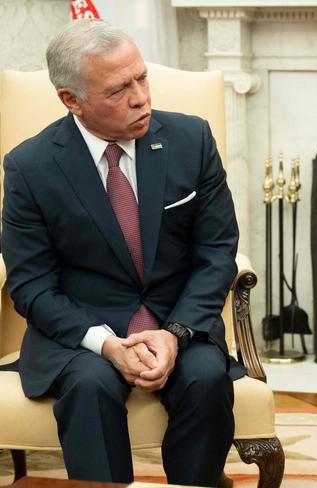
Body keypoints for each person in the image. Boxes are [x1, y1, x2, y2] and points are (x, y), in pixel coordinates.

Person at [2, 20, 244, 486]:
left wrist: (173, 334)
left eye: (142, 78)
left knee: (205, 380)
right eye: (118, 90)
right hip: (83, 330)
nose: (140, 97)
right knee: (90, 386)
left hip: (179, 319)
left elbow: (216, 252)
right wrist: (107, 344)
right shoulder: (30, 168)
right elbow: (31, 285)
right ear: (71, 100)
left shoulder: (191, 140)